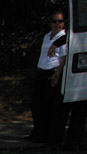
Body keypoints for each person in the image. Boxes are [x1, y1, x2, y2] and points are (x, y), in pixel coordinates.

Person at [26, 7, 68, 144]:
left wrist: (57, 73)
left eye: (60, 21)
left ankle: (48, 135)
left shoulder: (63, 37)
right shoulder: (47, 36)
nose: (58, 24)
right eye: (55, 21)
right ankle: (38, 132)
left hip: (53, 71)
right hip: (42, 70)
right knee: (37, 104)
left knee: (49, 105)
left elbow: (64, 58)